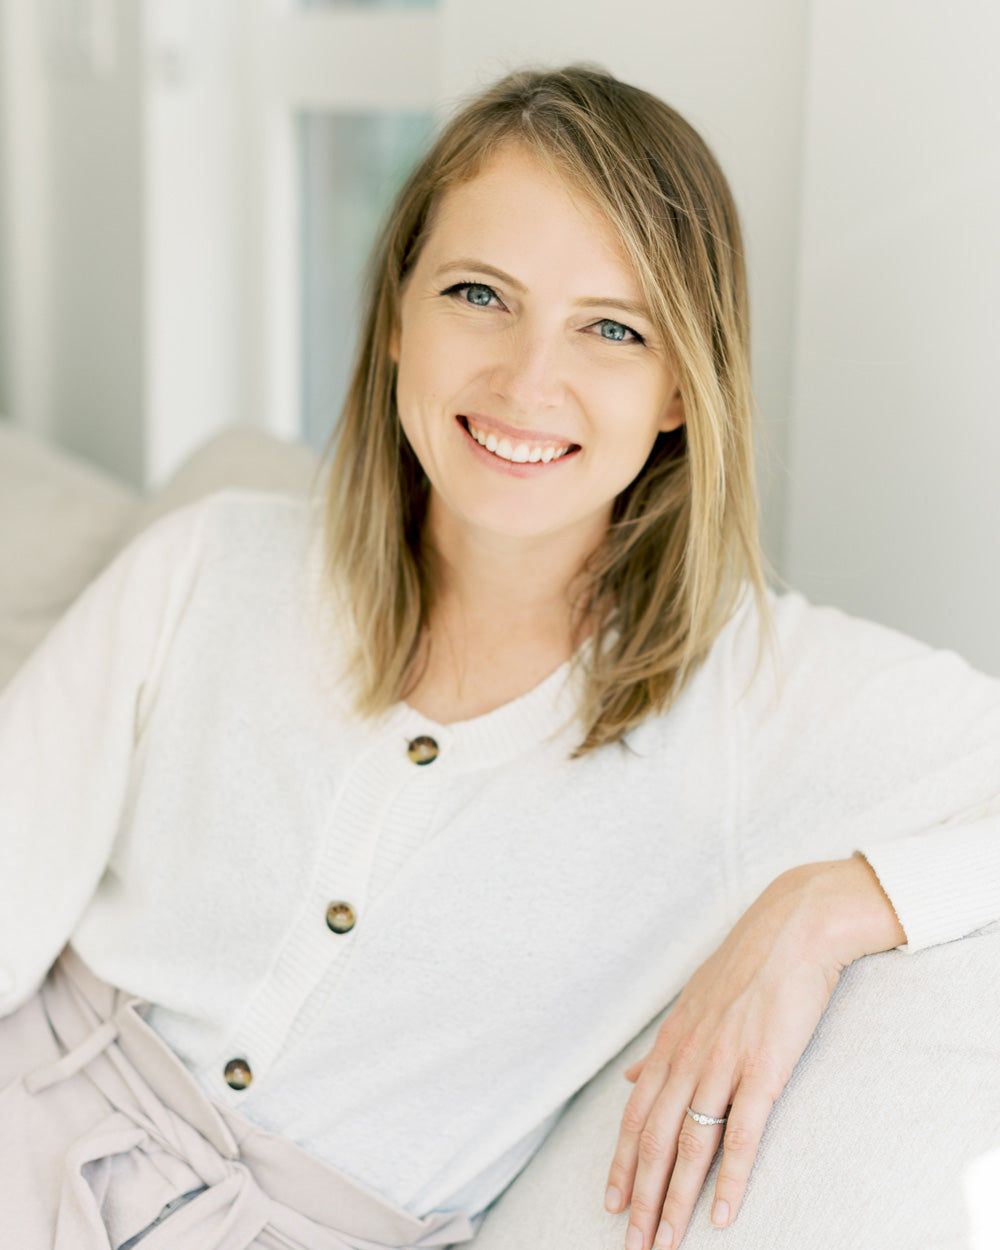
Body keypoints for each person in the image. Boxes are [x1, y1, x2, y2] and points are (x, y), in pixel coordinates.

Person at [1, 64, 998, 1250]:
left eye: (612, 329)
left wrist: (828, 905)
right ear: (395, 319)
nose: (529, 380)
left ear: (681, 387)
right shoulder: (211, 563)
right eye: (479, 294)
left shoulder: (758, 696)